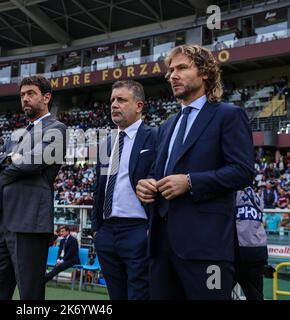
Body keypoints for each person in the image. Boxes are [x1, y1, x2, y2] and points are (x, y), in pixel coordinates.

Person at [136, 44, 254, 300]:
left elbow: (243, 171)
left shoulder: (228, 115)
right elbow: (158, 173)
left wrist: (191, 182)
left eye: (182, 68)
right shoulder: (167, 126)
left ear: (204, 73)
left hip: (207, 247)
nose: (172, 75)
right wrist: (146, 185)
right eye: (170, 70)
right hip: (160, 246)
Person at [0, 75, 67, 300]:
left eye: (31, 94)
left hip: (30, 223)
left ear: (46, 97)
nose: (25, 99)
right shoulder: (16, 135)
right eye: (22, 95)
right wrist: (12, 159)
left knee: (30, 295)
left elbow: (31, 163)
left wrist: (7, 163)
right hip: (3, 225)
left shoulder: (57, 128)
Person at [91, 80, 156, 300]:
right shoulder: (106, 143)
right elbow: (98, 190)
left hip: (138, 229)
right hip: (107, 233)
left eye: (121, 100)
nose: (114, 105)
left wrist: (150, 228)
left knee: (139, 295)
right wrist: (96, 229)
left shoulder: (155, 137)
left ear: (139, 106)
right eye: (112, 100)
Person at [234, 186, 268, 300]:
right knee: (256, 296)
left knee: (216, 291)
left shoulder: (232, 193)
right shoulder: (258, 197)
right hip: (259, 251)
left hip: (238, 252)